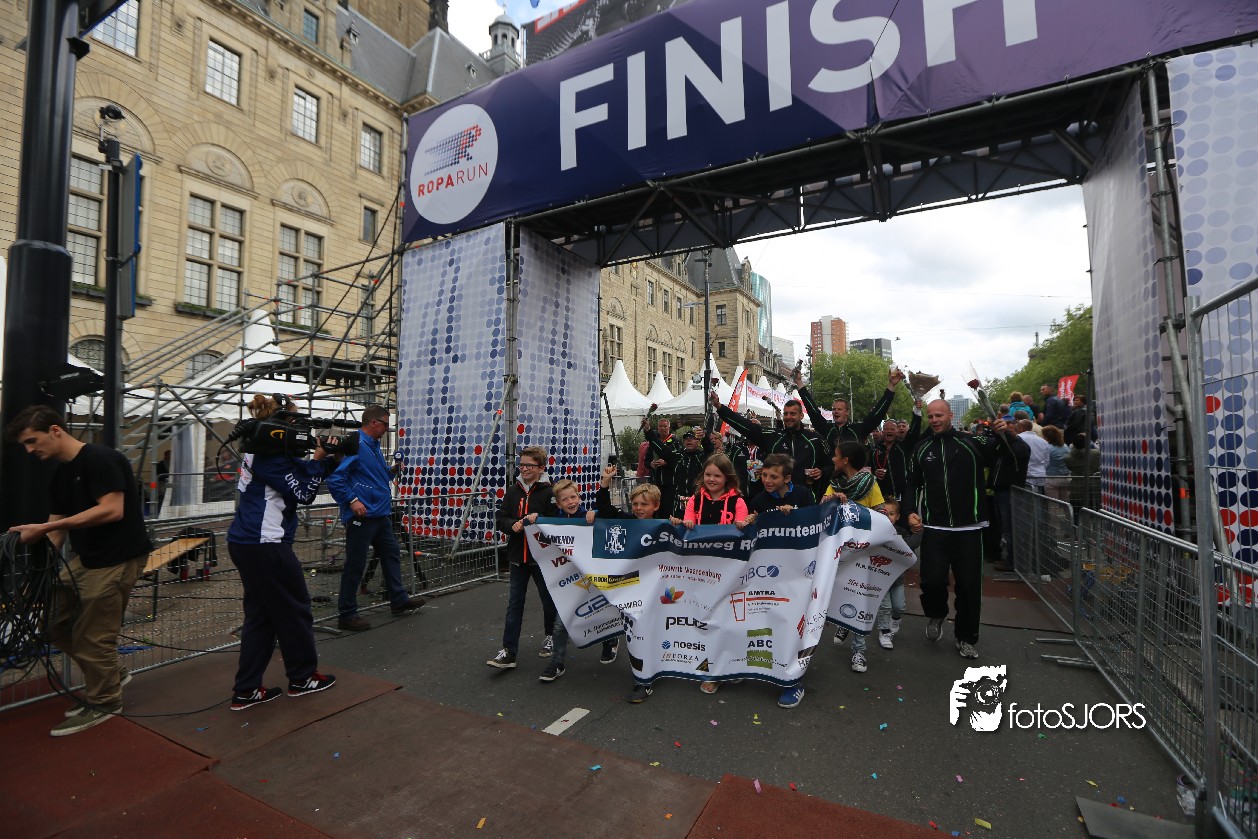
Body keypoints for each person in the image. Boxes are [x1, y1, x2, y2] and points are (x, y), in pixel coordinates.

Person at [6, 405, 153, 736]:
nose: (29, 450)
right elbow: (56, 527)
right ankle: (109, 674)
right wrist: (36, 574)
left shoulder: (102, 459)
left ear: (55, 430)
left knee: (92, 638)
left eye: (32, 441)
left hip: (117, 559)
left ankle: (105, 701)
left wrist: (44, 529)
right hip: (87, 560)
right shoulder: (61, 474)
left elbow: (112, 510)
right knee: (51, 623)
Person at [224, 395, 338, 711]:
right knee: (295, 610)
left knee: (261, 617)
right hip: (265, 543)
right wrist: (320, 461)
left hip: (248, 543)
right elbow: (303, 492)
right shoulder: (269, 457)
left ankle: (247, 689)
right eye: (295, 422)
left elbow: (301, 471)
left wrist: (326, 460)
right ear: (282, 426)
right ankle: (302, 678)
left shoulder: (263, 451)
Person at [906, 400, 1007, 660]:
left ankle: (966, 637)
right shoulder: (921, 448)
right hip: (935, 527)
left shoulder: (971, 442)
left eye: (939, 415)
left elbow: (1007, 452)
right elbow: (912, 484)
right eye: (930, 416)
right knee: (932, 581)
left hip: (969, 528)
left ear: (950, 415)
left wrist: (1003, 433)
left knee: (969, 586)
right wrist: (910, 511)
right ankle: (937, 613)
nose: (934, 420)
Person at [327, 405, 426, 631]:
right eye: (385, 424)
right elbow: (336, 479)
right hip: (364, 514)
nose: (387, 429)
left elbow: (377, 476)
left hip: (379, 513)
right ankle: (347, 613)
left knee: (391, 553)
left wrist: (393, 469)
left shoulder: (371, 445)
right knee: (356, 563)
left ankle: (398, 599)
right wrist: (353, 500)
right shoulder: (357, 444)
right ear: (373, 422)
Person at [520, 477, 617, 682]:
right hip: (568, 580)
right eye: (565, 499)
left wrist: (596, 512)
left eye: (573, 497)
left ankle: (609, 642)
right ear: (558, 503)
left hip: (593, 578)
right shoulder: (553, 519)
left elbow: (608, 515)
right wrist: (535, 518)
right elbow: (540, 525)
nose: (570, 502)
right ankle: (557, 663)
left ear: (579, 497)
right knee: (560, 624)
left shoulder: (588, 515)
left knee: (601, 613)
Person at [674, 454, 751, 696]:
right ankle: (714, 669)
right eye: (708, 474)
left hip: (729, 570)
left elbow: (742, 528)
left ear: (727, 477)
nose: (711, 479)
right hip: (700, 571)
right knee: (705, 620)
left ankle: (729, 667)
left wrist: (742, 524)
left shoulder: (738, 501)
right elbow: (687, 524)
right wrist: (685, 523)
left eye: (717, 475)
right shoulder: (695, 500)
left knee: (727, 621)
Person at [744, 453, 814, 709]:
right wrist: (748, 523)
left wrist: (795, 516)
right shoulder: (758, 500)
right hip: (766, 574)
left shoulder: (803, 495)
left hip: (797, 573)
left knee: (792, 626)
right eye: (764, 475)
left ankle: (793, 682)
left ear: (787, 478)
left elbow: (815, 524)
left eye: (773, 476)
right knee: (763, 622)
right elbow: (751, 535)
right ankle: (759, 667)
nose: (767, 480)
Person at [486, 446, 557, 669]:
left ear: (541, 468)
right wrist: (512, 525)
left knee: (548, 600)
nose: (524, 469)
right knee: (514, 604)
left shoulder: (550, 492)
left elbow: (556, 521)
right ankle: (509, 651)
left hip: (542, 558)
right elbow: (501, 517)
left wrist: (540, 519)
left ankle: (552, 637)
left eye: (529, 465)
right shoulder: (512, 491)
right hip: (517, 556)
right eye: (522, 464)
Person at [824, 441, 886, 673]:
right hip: (839, 551)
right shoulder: (834, 484)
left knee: (860, 599)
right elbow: (823, 510)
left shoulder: (870, 484)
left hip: (863, 552)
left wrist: (851, 507)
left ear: (845, 460)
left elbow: (881, 515)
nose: (832, 459)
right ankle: (844, 623)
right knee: (842, 594)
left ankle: (859, 652)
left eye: (836, 455)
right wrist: (832, 501)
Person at [711, 392, 831, 501]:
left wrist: (822, 472)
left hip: (805, 501)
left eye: (793, 414)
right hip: (776, 501)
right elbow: (747, 426)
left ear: (801, 416)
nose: (788, 417)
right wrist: (720, 407)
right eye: (786, 414)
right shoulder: (774, 436)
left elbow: (832, 465)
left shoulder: (815, 439)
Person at [795, 367, 905, 455]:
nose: (836, 412)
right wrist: (799, 383)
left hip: (854, 475)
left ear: (847, 412)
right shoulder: (827, 429)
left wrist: (891, 385)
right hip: (832, 474)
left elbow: (877, 414)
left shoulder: (858, 429)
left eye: (839, 409)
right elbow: (813, 411)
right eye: (834, 409)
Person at [871, 500, 920, 648]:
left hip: (897, 579)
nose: (888, 517)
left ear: (898, 516)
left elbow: (912, 544)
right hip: (880, 579)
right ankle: (884, 631)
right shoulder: (873, 531)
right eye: (884, 514)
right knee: (885, 606)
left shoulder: (901, 532)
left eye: (891, 514)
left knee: (899, 606)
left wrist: (919, 531)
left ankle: (896, 619)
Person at [646, 417, 680, 516]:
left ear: (669, 428)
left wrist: (666, 462)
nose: (662, 428)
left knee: (667, 509)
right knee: (656, 508)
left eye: (665, 426)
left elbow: (677, 458)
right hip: (655, 482)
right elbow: (646, 461)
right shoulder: (652, 442)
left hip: (670, 483)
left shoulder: (675, 441)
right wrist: (651, 464)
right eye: (660, 426)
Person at [1019, 418, 1051, 493]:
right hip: (1040, 476)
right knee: (1038, 498)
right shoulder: (1043, 441)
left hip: (1025, 476)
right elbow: (1047, 460)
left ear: (1021, 427)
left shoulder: (1019, 438)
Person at [1042, 425, 1071, 502]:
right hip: (1066, 477)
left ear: (1046, 437)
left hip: (1052, 477)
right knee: (1066, 503)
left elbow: (1045, 462)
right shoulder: (1065, 446)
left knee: (1053, 504)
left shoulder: (1048, 448)